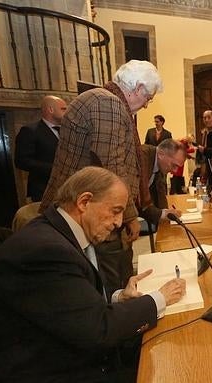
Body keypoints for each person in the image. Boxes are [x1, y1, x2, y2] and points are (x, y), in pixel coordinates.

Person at [0, 167, 186, 382]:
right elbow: (99, 330)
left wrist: (118, 297)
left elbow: (75, 296)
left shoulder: (59, 232)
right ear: (84, 202)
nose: (119, 222)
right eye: (115, 210)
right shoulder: (47, 251)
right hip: (48, 367)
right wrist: (159, 298)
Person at [40, 59, 163, 295]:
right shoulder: (108, 104)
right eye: (148, 98)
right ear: (138, 88)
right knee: (115, 287)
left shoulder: (101, 99)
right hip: (92, 216)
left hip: (82, 210)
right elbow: (111, 170)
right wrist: (127, 216)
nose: (147, 105)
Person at [14, 95, 67, 201]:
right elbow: (22, 161)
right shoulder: (30, 130)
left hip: (66, 188)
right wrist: (54, 168)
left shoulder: (67, 130)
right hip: (43, 189)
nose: (67, 112)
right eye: (63, 109)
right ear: (50, 109)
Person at [138, 139, 185, 227]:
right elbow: (140, 197)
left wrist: (167, 212)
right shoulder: (143, 156)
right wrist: (162, 214)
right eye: (174, 165)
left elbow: (160, 194)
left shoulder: (159, 164)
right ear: (161, 154)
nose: (175, 171)